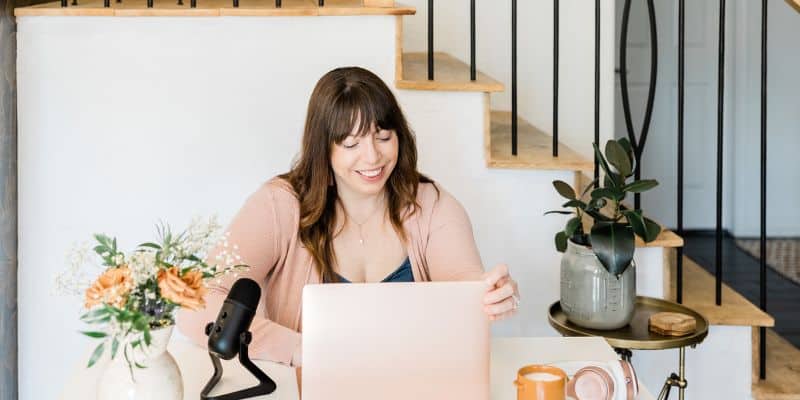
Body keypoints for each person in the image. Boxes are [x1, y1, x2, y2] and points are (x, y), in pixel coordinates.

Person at [177, 66, 520, 370]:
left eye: (383, 137)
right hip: (315, 387)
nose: (372, 157)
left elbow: (462, 285)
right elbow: (194, 306)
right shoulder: (279, 205)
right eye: (352, 144)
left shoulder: (431, 204)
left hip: (414, 382)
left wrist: (486, 297)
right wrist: (299, 350)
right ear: (323, 148)